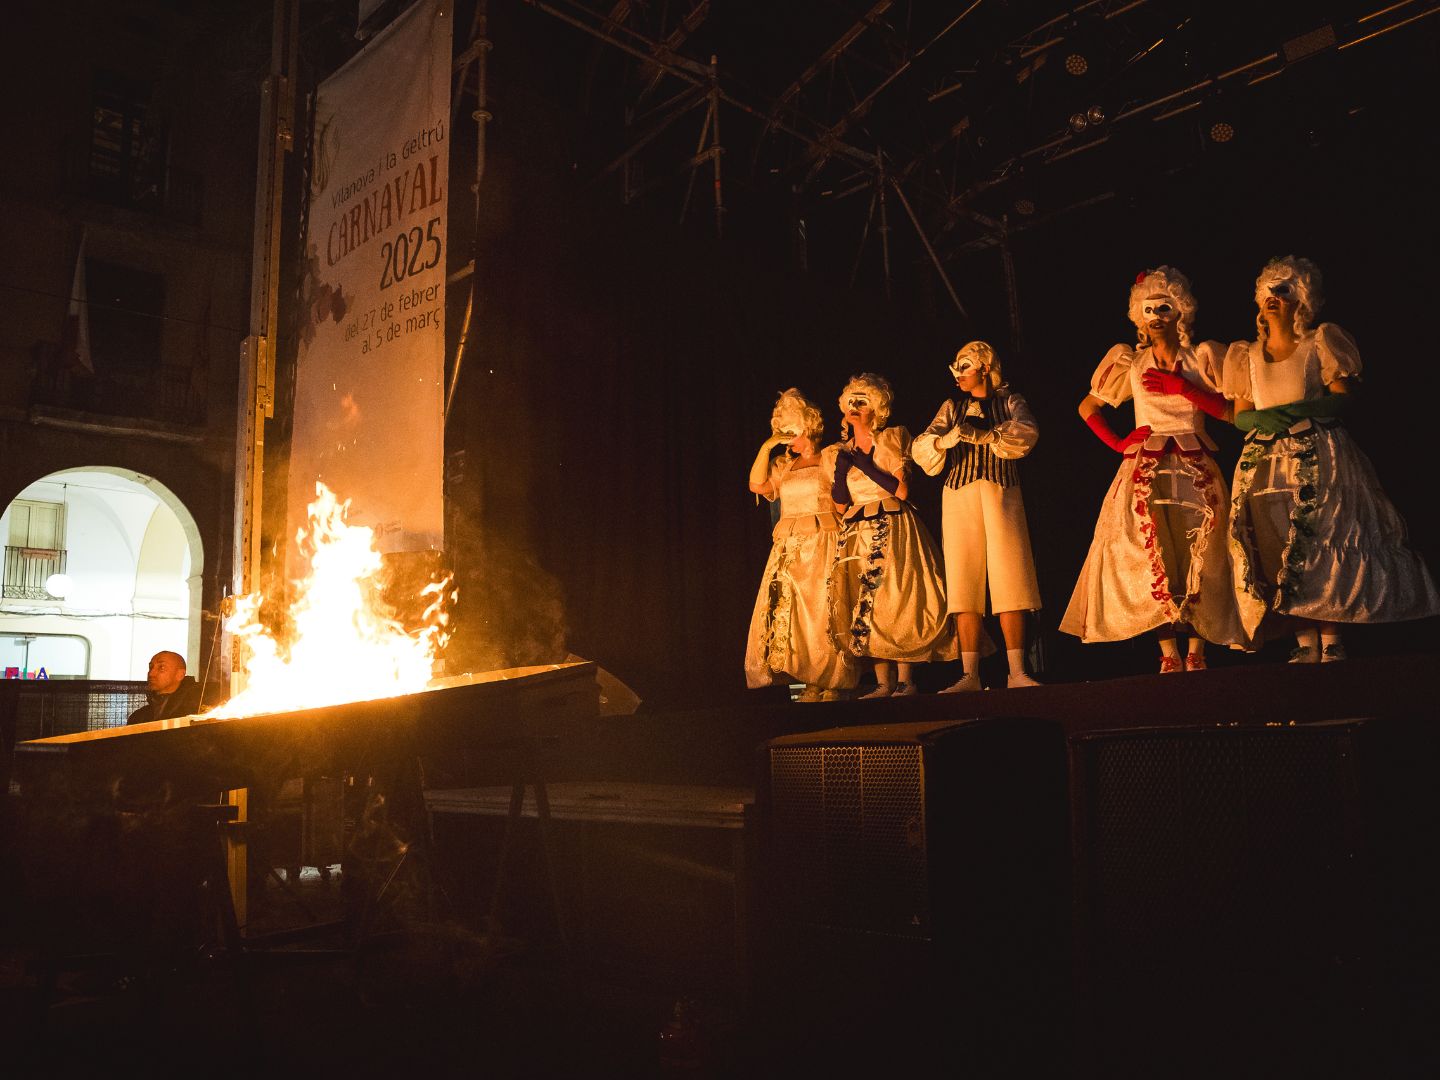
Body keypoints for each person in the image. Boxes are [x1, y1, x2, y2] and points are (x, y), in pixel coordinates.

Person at [1222, 255, 1440, 659]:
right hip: (1268, 461)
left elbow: (1342, 396)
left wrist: (1301, 411)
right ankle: (1305, 643)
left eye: (1283, 290)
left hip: (1318, 452)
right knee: (1280, 545)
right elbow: (1240, 415)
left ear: (1301, 299)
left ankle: (1332, 640)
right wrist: (1263, 419)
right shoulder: (1245, 355)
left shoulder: (1318, 342)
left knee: (1322, 538)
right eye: (1268, 290)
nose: (1273, 297)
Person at [1061, 266, 1244, 670]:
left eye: (1164, 308)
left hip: (1194, 464)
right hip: (1147, 468)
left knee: (1204, 551)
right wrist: (1120, 444)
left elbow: (1231, 413)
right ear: (1138, 316)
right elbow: (1087, 407)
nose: (1156, 316)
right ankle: (1168, 654)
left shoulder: (1200, 358)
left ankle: (1197, 652)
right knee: (1149, 551)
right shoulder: (1131, 362)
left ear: (1181, 312)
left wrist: (1185, 389)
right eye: (1149, 309)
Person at [912, 341, 1042, 690]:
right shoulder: (951, 407)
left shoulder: (1009, 401)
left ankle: (1017, 672)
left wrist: (986, 436)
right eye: (956, 367)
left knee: (1011, 579)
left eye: (965, 366)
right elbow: (922, 445)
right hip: (960, 493)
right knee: (964, 582)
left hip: (1002, 493)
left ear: (985, 367)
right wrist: (943, 442)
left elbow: (1028, 432)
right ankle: (970, 674)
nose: (958, 374)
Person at [827, 373, 956, 697]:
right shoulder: (839, 452)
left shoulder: (892, 438)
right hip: (858, 532)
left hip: (892, 525)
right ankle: (883, 682)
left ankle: (905, 680)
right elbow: (840, 506)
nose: (855, 407)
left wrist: (866, 466)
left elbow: (901, 490)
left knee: (897, 599)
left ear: (876, 409)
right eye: (851, 402)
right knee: (866, 604)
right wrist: (842, 472)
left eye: (862, 402)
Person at [745, 388, 859, 701]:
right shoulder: (783, 466)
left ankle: (833, 681)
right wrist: (767, 447)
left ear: (806, 427)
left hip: (823, 541)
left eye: (790, 431)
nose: (786, 438)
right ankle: (811, 681)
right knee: (796, 616)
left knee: (824, 611)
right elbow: (756, 484)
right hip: (791, 547)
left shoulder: (829, 457)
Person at [127, 650, 203, 724]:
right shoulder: (138, 717)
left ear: (180, 674)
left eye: (162, 667)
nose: (151, 674)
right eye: (151, 667)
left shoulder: (199, 711)